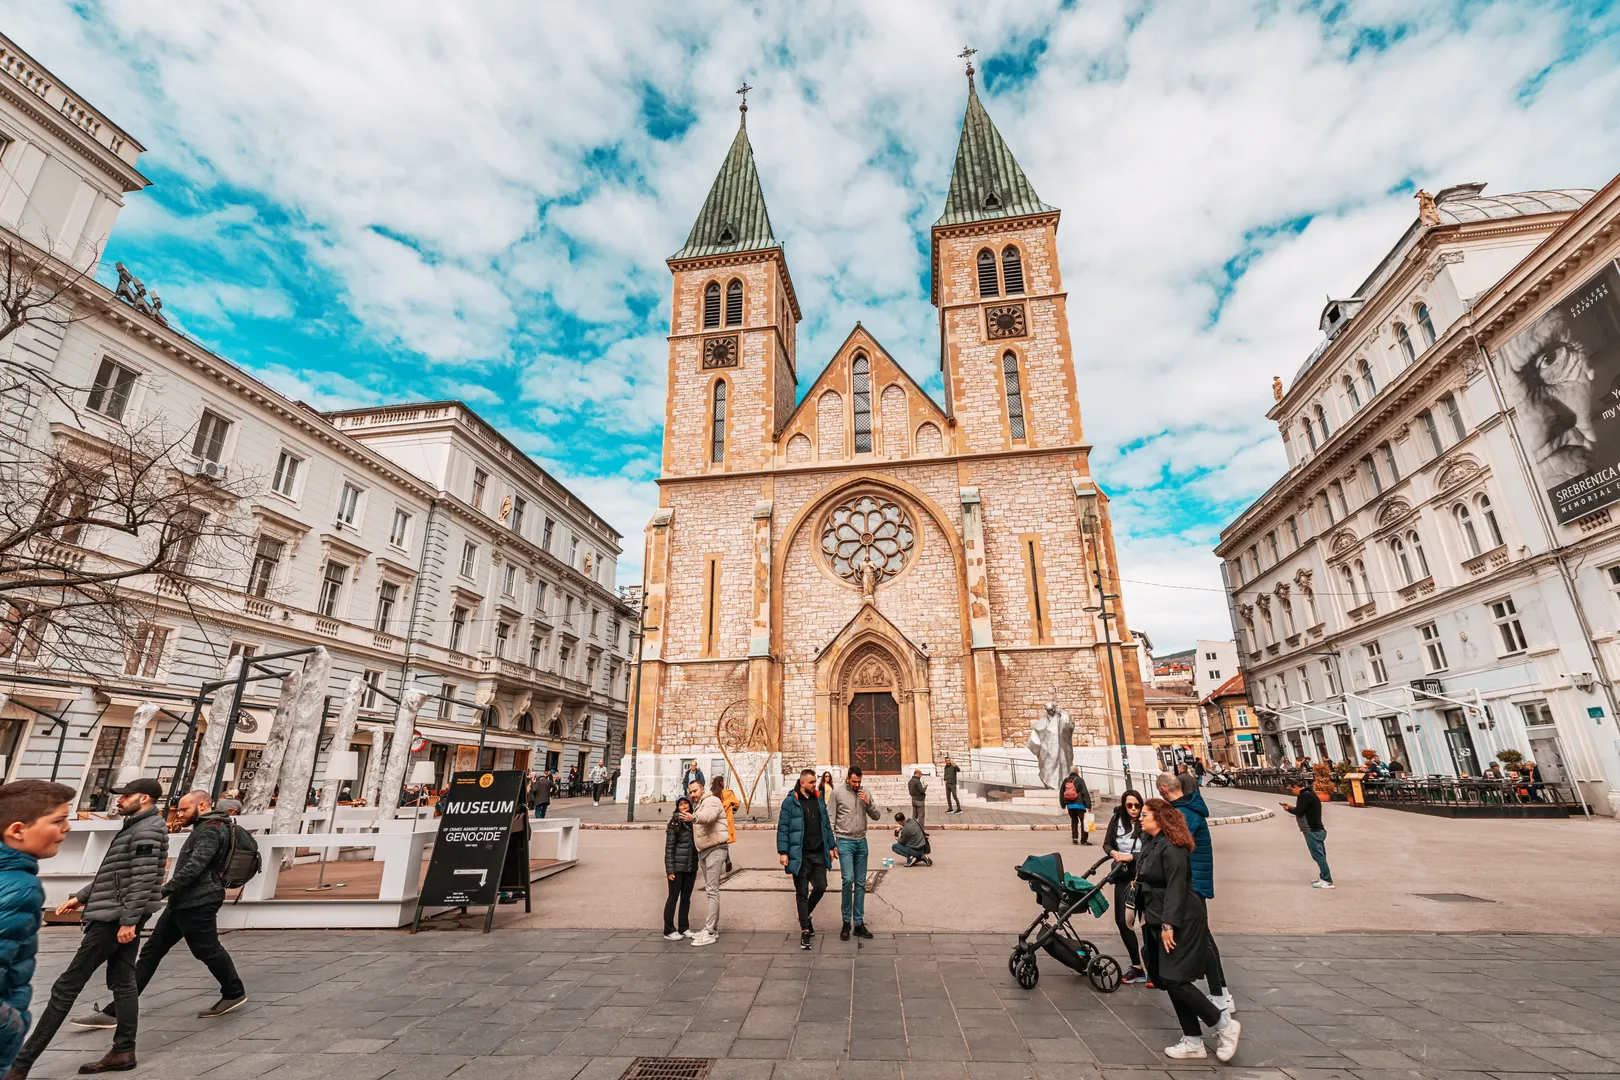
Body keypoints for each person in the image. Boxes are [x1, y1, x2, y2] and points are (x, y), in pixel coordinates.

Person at [7, 778, 167, 1078]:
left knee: (66, 987)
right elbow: (116, 874)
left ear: (144, 798)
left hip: (113, 920)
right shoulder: (136, 826)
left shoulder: (147, 831)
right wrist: (81, 898)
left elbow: (144, 880)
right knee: (123, 982)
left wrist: (128, 921)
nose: (119, 801)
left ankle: (19, 1066)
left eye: (126, 796)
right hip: (115, 914)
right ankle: (123, 1051)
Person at [73, 791, 247, 1032]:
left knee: (206, 949)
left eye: (185, 810)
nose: (180, 814)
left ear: (203, 805)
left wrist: (162, 891)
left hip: (198, 902)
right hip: (184, 901)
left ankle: (234, 992)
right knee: (152, 951)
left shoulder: (211, 829)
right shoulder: (208, 826)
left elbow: (195, 868)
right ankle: (115, 1012)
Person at [1137, 799, 1240, 1062]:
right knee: (1169, 978)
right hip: (1158, 916)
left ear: (1160, 819)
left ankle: (1223, 1025)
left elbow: (1175, 887)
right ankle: (1193, 1040)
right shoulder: (1152, 842)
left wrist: (1169, 924)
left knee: (1174, 978)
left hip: (1181, 918)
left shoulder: (1173, 847)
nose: (1140, 817)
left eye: (1145, 814)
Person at [0, 781, 73, 1075]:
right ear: (17, 830)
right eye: (58, 820)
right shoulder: (21, 888)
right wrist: (11, 1026)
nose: (67, 828)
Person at [1157, 771, 1231, 1013]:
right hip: (1193, 881)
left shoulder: (1185, 814)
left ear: (1164, 790)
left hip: (1192, 884)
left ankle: (1220, 993)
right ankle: (1220, 991)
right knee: (1204, 938)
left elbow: (1174, 849)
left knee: (1204, 940)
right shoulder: (1188, 808)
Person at [777, 769, 834, 950]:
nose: (813, 784)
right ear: (802, 783)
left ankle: (805, 915)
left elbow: (826, 825)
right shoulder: (790, 802)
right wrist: (783, 852)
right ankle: (805, 931)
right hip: (799, 854)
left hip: (818, 853)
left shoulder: (818, 800)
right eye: (810, 782)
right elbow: (783, 828)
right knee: (801, 892)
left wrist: (832, 846)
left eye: (814, 781)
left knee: (821, 886)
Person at [827, 766, 881, 940]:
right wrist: (831, 844)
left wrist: (868, 802)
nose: (857, 784)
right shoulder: (837, 793)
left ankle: (858, 923)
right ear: (847, 778)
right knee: (847, 880)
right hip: (844, 841)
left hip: (861, 841)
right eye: (854, 781)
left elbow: (877, 816)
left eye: (859, 781)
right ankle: (845, 921)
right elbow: (830, 819)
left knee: (860, 883)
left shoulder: (865, 792)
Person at [1102, 788, 1146, 985]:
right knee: (1123, 920)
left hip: (1143, 874)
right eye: (1130, 805)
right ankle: (1137, 966)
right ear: (1123, 805)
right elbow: (1107, 844)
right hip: (1123, 874)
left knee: (1146, 922)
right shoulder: (1117, 819)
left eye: (1137, 805)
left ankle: (1153, 967)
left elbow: (1152, 849)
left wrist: (1132, 857)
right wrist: (1115, 855)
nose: (1134, 809)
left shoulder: (1146, 820)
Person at [689, 779, 727, 947]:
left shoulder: (712, 800)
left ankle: (709, 931)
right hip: (705, 850)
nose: (692, 795)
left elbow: (709, 817)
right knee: (712, 890)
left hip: (715, 849)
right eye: (690, 792)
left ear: (702, 789)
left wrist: (694, 817)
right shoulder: (700, 803)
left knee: (712, 890)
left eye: (695, 791)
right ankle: (713, 929)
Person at [1283, 780, 1333, 888]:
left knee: (1318, 856)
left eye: (1292, 789)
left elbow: (1299, 811)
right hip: (1318, 829)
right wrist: (1292, 807)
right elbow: (1304, 809)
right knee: (1321, 855)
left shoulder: (1303, 796)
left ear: (1296, 787)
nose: (1292, 791)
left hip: (1311, 830)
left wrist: (1288, 809)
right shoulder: (1310, 794)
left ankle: (1327, 880)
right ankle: (1323, 877)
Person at [662, 796, 697, 939]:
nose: (683, 806)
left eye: (685, 803)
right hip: (677, 867)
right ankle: (668, 929)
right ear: (677, 807)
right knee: (673, 898)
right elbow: (669, 848)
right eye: (680, 804)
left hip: (690, 866)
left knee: (686, 898)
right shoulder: (674, 823)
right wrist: (670, 870)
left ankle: (684, 927)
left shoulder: (694, 822)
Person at [711, 776, 739, 872]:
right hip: (727, 820)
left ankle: (725, 860)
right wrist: (732, 809)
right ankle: (726, 860)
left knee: (719, 842)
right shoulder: (728, 793)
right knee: (724, 841)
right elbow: (737, 804)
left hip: (716, 821)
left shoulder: (713, 795)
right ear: (721, 783)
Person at [1059, 768, 1092, 846]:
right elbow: (1085, 793)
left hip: (1070, 806)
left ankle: (1074, 838)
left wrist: (1063, 804)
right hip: (1080, 806)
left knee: (1074, 821)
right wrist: (1088, 805)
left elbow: (1061, 793)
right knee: (1084, 822)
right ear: (1077, 772)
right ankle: (1083, 840)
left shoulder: (1066, 780)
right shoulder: (1080, 780)